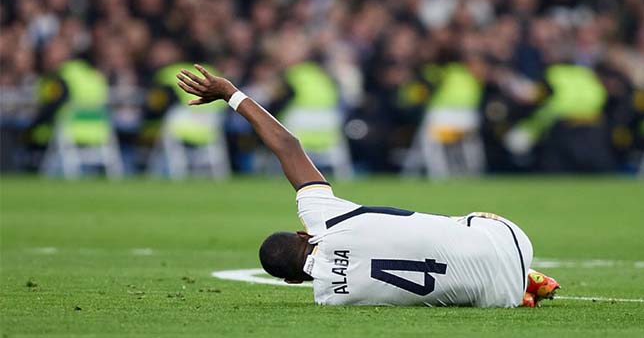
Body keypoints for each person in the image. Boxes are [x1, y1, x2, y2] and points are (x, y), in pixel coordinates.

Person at [175, 64, 560, 308]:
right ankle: (523, 273)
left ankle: (522, 288)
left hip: (497, 300)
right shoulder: (322, 218)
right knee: (463, 223)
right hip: (509, 239)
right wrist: (231, 93)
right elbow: (287, 146)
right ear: (301, 233)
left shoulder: (331, 299)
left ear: (294, 281)